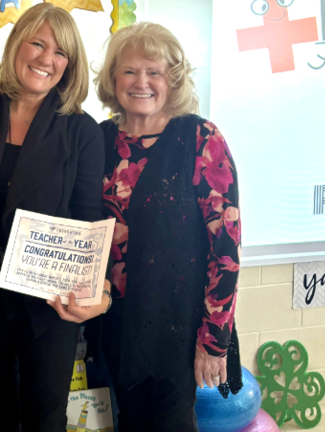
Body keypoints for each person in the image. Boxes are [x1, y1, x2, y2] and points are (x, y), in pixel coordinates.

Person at [0, 3, 109, 432]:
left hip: (50, 303)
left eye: (60, 52)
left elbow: (87, 218)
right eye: (38, 43)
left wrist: (89, 290)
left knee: (45, 416)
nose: (47, 59)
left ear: (70, 65)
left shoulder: (82, 130)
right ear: (16, 45)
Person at [93, 22, 242, 432]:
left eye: (154, 71)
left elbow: (225, 250)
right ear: (113, 79)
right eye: (129, 71)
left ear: (172, 80)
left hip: (177, 325)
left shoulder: (199, 138)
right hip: (111, 321)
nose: (141, 82)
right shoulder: (98, 140)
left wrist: (215, 341)